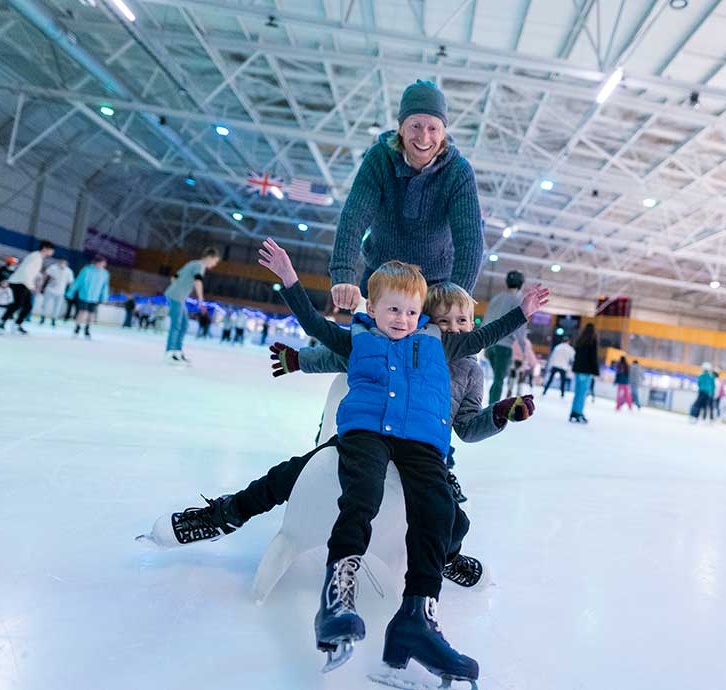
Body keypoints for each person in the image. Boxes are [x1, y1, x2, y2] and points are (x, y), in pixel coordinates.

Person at [257, 239, 548, 686]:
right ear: (374, 308)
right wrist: (292, 281)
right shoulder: (368, 338)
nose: (405, 320)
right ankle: (339, 592)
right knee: (363, 495)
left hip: (423, 445)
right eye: (397, 311)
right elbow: (320, 331)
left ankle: (417, 618)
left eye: (411, 313)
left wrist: (522, 315)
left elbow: (482, 353)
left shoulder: (443, 350)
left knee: (442, 513)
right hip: (369, 433)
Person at [138, 281, 537, 591]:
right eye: (442, 322)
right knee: (292, 473)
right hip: (370, 437)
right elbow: (342, 354)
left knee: (452, 519)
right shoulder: (402, 345)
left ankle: (448, 557)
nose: (453, 330)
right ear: (424, 322)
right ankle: (225, 515)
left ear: (473, 326)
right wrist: (300, 361)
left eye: (462, 323)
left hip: (425, 455)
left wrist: (499, 414)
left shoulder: (470, 371)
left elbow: (467, 427)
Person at [327, 80, 483, 311]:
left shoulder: (458, 172)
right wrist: (342, 275)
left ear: (443, 133)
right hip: (380, 278)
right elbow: (354, 217)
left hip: (435, 286)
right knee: (367, 346)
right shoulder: (379, 158)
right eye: (415, 126)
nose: (423, 137)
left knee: (426, 348)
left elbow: (470, 239)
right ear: (401, 127)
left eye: (433, 128)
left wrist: (457, 298)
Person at [164, 248, 220, 364]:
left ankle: (177, 351)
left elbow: (174, 277)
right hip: (176, 297)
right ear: (210, 257)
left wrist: (179, 287)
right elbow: (198, 281)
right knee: (177, 325)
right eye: (215, 261)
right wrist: (200, 299)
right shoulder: (200, 266)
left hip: (178, 297)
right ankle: (170, 352)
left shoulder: (192, 264)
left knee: (184, 325)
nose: (215, 264)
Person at [0, 241, 54, 335]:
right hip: (19, 282)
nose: (52, 252)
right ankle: (1, 323)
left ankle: (17, 325)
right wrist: (31, 286)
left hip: (23, 282)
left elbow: (31, 271)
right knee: (17, 304)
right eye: (51, 250)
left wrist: (36, 279)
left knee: (27, 306)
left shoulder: (38, 257)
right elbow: (26, 271)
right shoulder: (35, 256)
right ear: (45, 248)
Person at [484, 271, 527, 401]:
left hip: (491, 344)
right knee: (499, 380)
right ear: (521, 284)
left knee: (497, 379)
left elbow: (486, 319)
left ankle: (492, 406)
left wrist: (485, 344)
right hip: (504, 346)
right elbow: (519, 325)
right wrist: (523, 347)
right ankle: (493, 410)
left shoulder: (496, 298)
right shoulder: (518, 300)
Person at [66, 255, 110, 340]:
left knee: (91, 314)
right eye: (102, 263)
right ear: (97, 262)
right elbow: (78, 281)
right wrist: (71, 292)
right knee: (82, 312)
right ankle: (77, 328)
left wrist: (104, 297)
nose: (103, 265)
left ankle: (87, 328)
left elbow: (105, 286)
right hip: (84, 295)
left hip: (95, 297)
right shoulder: (86, 270)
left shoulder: (105, 273)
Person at [569, 323, 599, 423]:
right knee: (582, 393)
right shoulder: (592, 341)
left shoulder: (580, 340)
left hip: (578, 370)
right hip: (586, 371)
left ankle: (574, 412)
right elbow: (593, 357)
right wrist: (595, 371)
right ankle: (578, 412)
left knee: (578, 392)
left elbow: (577, 357)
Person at [39, 258, 73, 327]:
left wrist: (70, 292)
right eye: (61, 261)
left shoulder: (68, 271)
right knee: (45, 304)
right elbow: (46, 275)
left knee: (57, 307)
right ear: (59, 261)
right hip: (50, 289)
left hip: (61, 291)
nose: (62, 263)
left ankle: (53, 320)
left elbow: (70, 282)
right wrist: (43, 286)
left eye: (64, 262)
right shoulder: (53, 267)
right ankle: (43, 317)